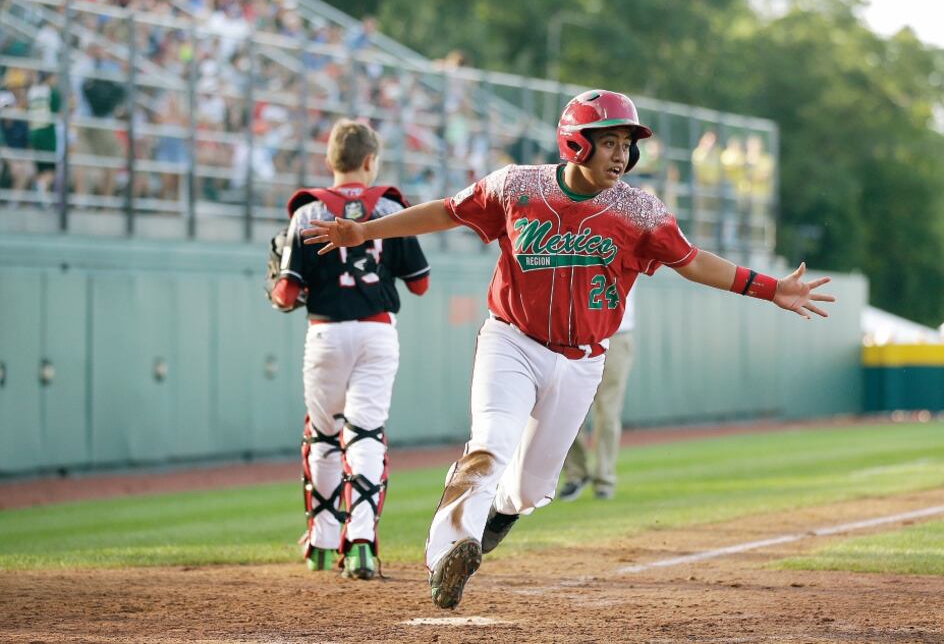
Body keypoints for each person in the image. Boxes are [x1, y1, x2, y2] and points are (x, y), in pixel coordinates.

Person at [302, 90, 835, 608]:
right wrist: (364, 230)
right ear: (576, 142)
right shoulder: (516, 187)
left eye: (628, 144)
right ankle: (448, 554)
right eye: (610, 142)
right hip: (510, 339)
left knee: (531, 489)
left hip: (582, 359)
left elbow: (693, 261)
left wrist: (771, 288)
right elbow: (446, 211)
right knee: (489, 444)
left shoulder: (639, 211)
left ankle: (496, 519)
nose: (622, 154)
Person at [271, 119, 430, 580]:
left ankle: (321, 544)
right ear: (369, 161)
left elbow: (285, 295)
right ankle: (360, 543)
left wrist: (284, 285)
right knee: (365, 433)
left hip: (326, 332)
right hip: (377, 331)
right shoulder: (389, 207)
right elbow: (419, 284)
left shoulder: (306, 213)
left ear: (329, 162)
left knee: (322, 436)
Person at [558, 288, 637, 502]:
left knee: (608, 413)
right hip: (576, 334)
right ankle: (576, 474)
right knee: (567, 410)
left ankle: (604, 479)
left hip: (617, 335)